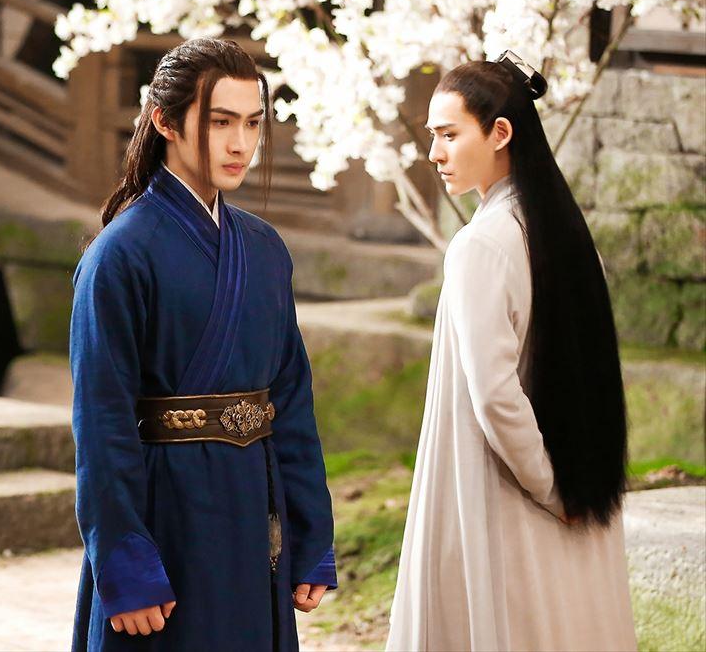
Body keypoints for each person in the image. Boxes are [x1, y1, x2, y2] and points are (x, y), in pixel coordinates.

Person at [69, 37, 337, 652]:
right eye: (220, 123)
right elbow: (102, 423)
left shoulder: (264, 249)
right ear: (165, 121)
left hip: (252, 508)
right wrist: (126, 564)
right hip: (168, 516)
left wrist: (309, 532)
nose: (241, 144)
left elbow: (291, 400)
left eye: (253, 123)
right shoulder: (119, 256)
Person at [386, 53, 637, 652]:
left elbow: (497, 396)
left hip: (502, 489)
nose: (434, 153)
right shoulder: (565, 234)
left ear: (500, 133)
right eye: (432, 136)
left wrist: (549, 488)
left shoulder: (482, 244)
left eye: (449, 135)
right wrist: (569, 486)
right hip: (569, 485)